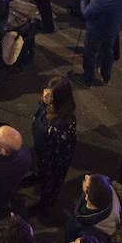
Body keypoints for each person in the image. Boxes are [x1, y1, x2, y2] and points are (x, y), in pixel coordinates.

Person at [30, 76, 77, 210]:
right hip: (43, 152)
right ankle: (37, 176)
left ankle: (45, 206)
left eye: (50, 94)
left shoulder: (62, 123)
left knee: (50, 184)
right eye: (46, 90)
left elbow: (60, 151)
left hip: (52, 161)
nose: (45, 94)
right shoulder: (49, 106)